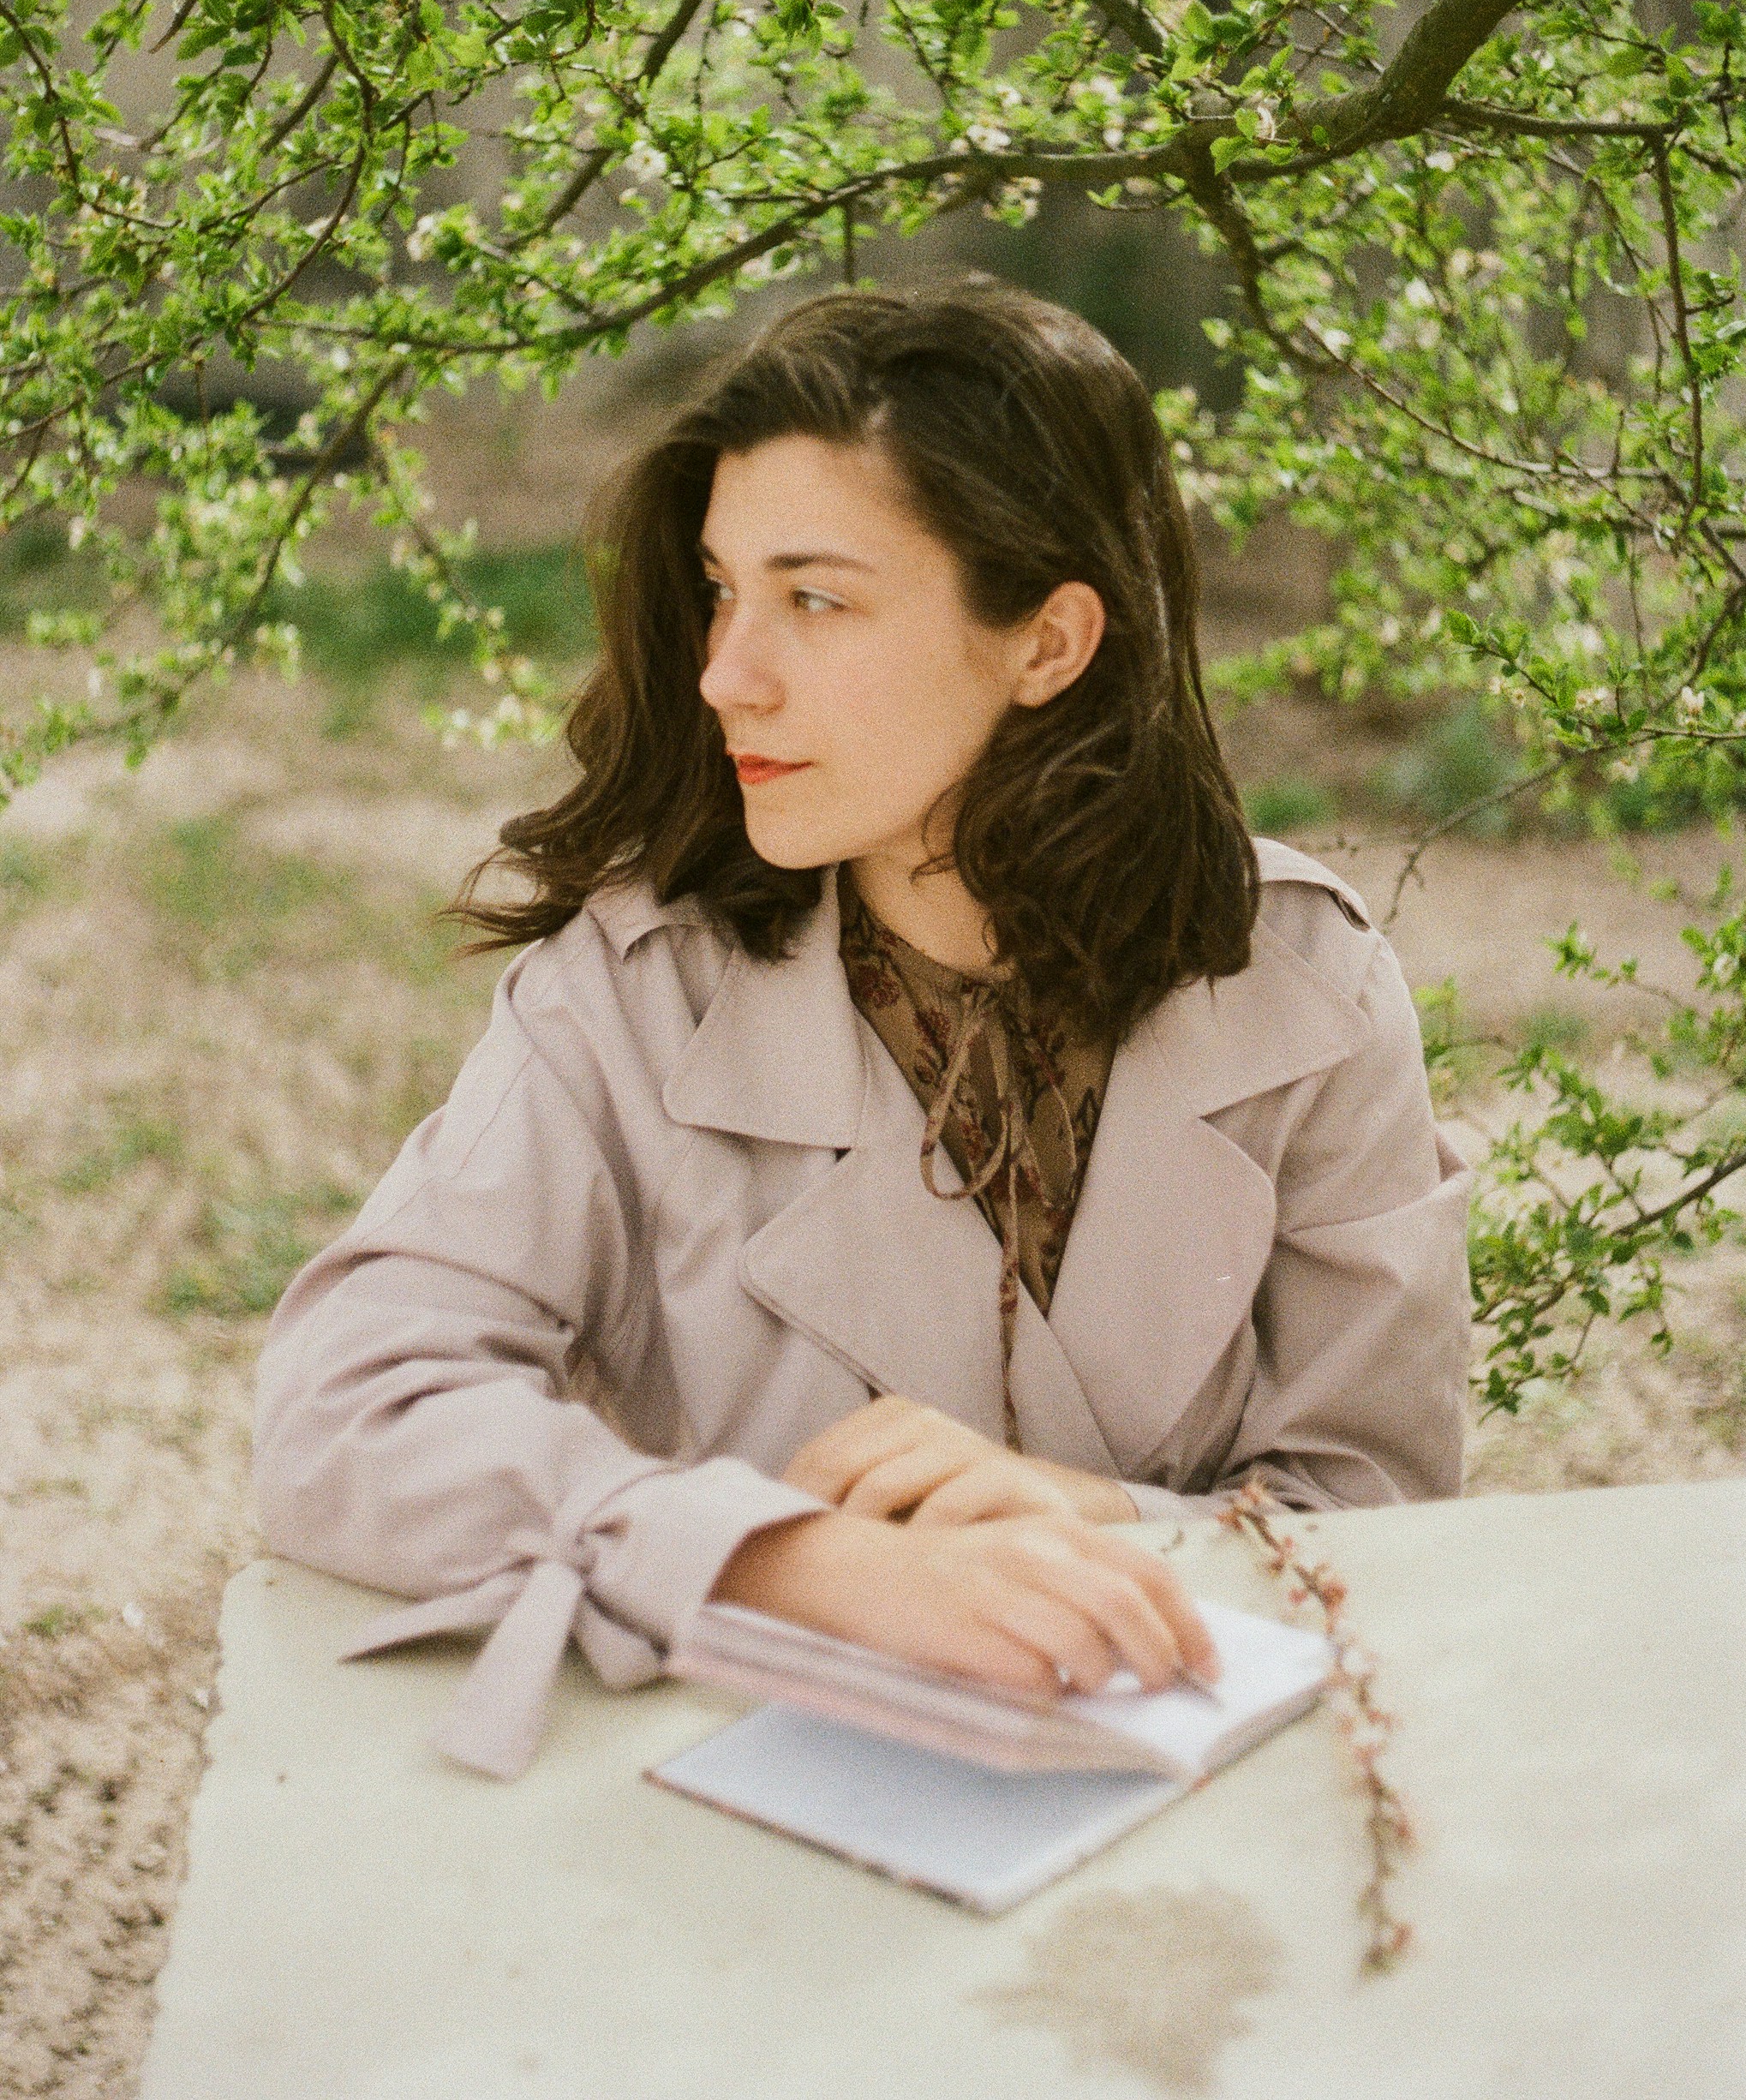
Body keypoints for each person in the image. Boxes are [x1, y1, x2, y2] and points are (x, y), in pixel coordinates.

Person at [253, 279, 1471, 1780]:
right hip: (760, 1788)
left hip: (1203, 1788)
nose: (724, 673)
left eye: (814, 597)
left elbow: (1389, 1516)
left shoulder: (1310, 988)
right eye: (720, 588)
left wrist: (1084, 1516)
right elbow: (347, 1405)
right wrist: (797, 1559)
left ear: (1047, 642)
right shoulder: (634, 994)